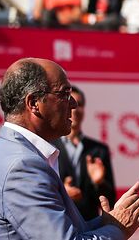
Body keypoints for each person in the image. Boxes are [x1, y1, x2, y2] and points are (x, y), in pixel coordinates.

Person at [0, 58, 139, 239]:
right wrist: (118, 229)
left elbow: (65, 231)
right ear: (34, 103)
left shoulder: (14, 153)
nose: (74, 104)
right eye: (64, 94)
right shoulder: (21, 167)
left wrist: (109, 223)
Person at [52, 85, 116, 221]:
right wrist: (62, 193)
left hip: (90, 225)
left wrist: (99, 182)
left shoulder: (99, 150)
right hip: (58, 223)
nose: (74, 109)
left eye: (79, 104)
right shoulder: (48, 146)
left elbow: (111, 200)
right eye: (69, 103)